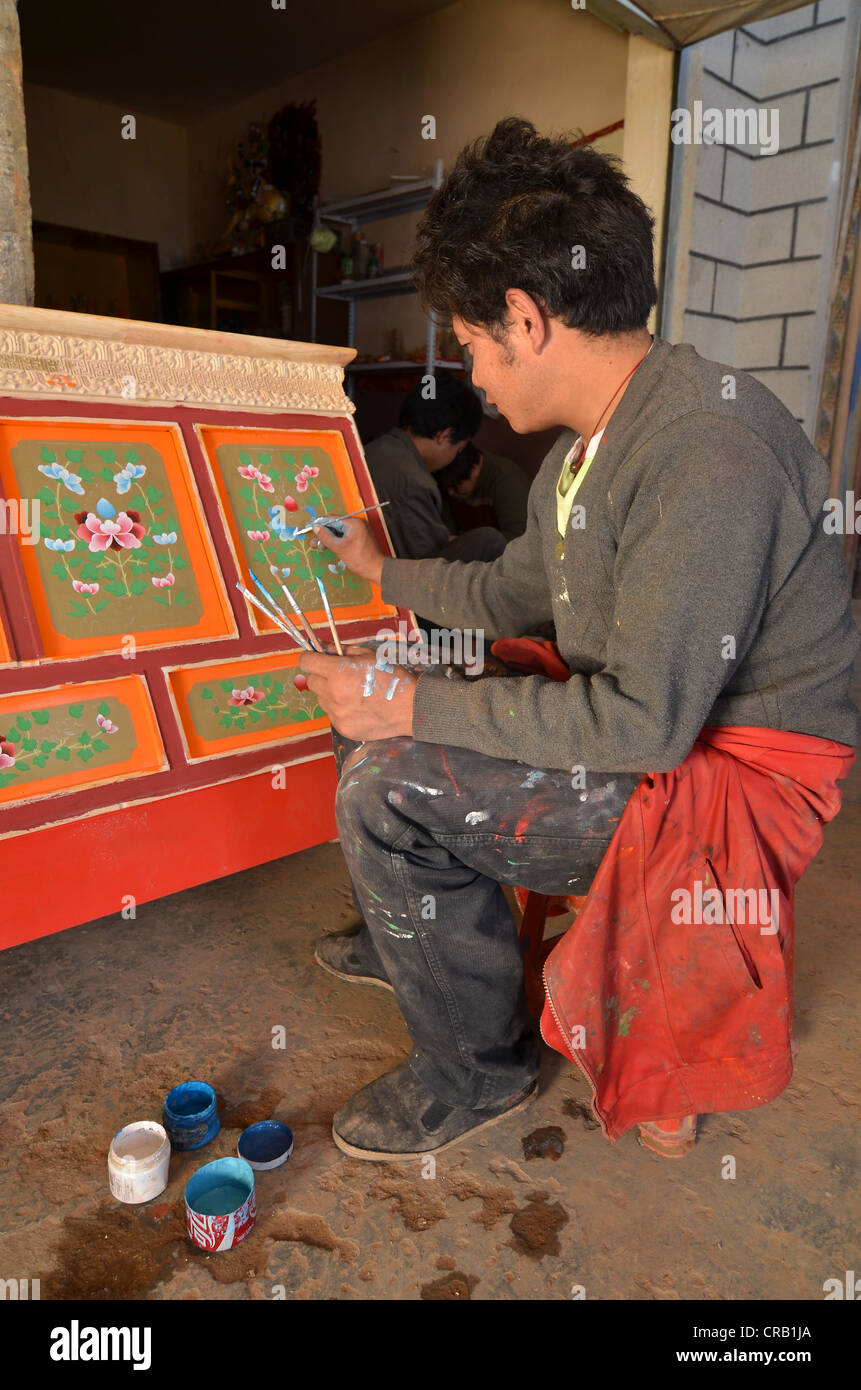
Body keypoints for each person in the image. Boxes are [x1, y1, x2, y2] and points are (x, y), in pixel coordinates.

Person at [299, 118, 859, 1163]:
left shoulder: (706, 453)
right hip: (657, 725)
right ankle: (420, 935)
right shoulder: (579, 458)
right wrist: (381, 576)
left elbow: (644, 725)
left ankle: (478, 1071)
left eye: (469, 345)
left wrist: (410, 710)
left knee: (387, 780)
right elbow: (513, 591)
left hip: (721, 780)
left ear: (525, 316)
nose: (475, 374)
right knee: (393, 680)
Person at [364, 372, 507, 562]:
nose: (456, 455)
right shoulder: (415, 480)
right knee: (490, 540)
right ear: (444, 436)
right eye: (459, 449)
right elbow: (425, 561)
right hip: (396, 577)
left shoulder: (371, 449)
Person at [435, 440, 531, 540]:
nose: (450, 492)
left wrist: (468, 544)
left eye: (455, 485)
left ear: (475, 469)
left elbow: (518, 538)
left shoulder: (507, 481)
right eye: (447, 486)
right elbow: (446, 528)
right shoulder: (447, 475)